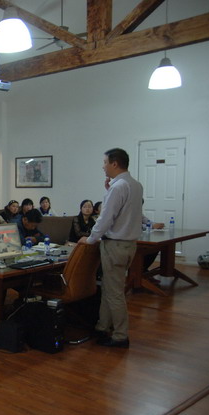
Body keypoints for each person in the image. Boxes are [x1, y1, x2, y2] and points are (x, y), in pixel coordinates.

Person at [78, 148, 144, 349]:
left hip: (115, 245)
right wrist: (109, 191)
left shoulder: (118, 188)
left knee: (114, 292)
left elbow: (106, 219)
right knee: (109, 288)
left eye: (105, 162)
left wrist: (90, 239)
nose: (103, 166)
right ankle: (102, 326)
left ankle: (120, 335)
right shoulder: (135, 184)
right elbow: (123, 212)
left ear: (115, 164)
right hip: (128, 245)